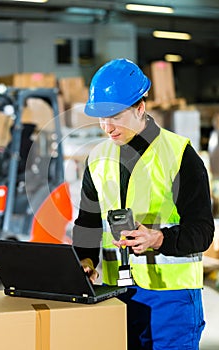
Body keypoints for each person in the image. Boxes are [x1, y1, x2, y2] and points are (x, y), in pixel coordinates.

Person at [72, 58, 214, 350]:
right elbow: (86, 223)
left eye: (115, 116)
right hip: (118, 295)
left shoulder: (180, 156)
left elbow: (202, 231)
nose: (107, 127)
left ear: (140, 108)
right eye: (101, 117)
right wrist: (85, 260)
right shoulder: (97, 159)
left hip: (171, 299)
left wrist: (159, 238)